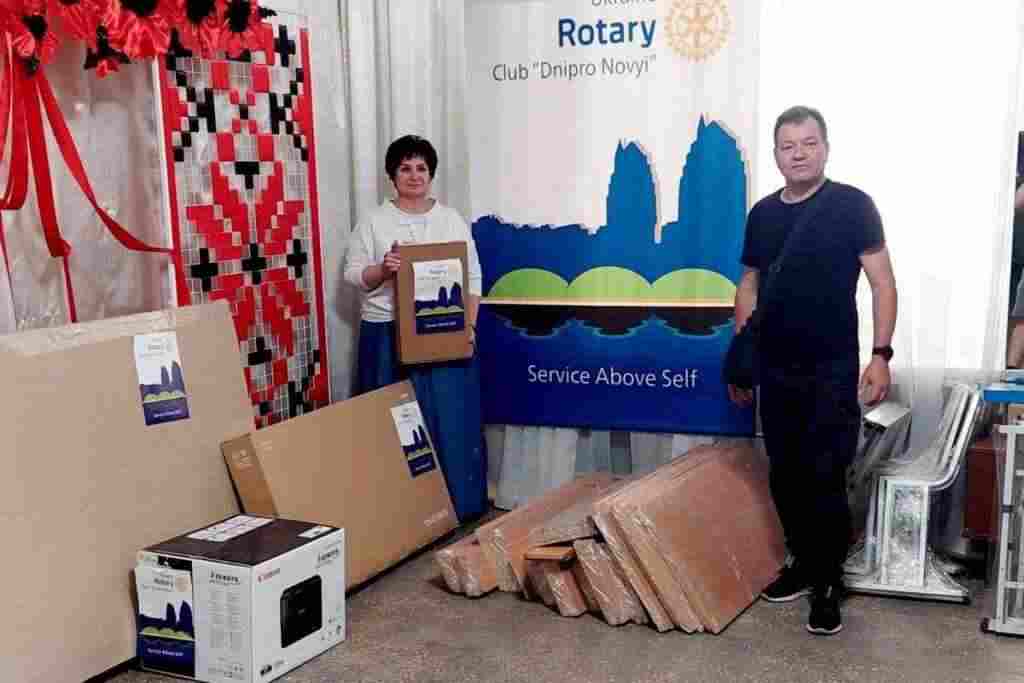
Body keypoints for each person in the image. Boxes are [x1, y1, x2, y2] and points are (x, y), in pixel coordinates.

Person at [728, 106, 897, 636]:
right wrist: (742, 359)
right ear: (776, 154)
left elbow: (882, 282)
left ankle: (828, 580)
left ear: (825, 148)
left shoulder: (852, 205)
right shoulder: (762, 214)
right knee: (785, 473)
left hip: (832, 366)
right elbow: (749, 285)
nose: (798, 154)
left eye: (809, 143)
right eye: (788, 146)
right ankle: (802, 563)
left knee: (826, 474)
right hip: (776, 366)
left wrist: (881, 354)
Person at [343, 134, 487, 523]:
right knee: (393, 427)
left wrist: (469, 327)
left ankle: (458, 506)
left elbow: (473, 276)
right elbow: (353, 275)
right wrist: (382, 269)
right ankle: (397, 516)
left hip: (443, 334)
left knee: (451, 423)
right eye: (405, 168)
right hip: (385, 334)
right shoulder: (373, 221)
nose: (414, 175)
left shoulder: (450, 219)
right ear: (392, 175)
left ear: (431, 174)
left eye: (421, 168)